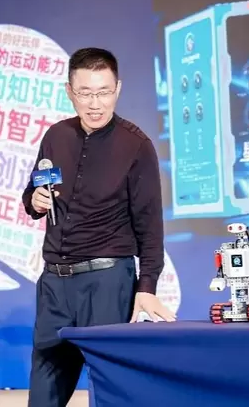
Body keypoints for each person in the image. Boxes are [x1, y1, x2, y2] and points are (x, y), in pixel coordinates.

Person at [22, 47, 176, 407]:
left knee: (111, 391)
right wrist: (34, 200)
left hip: (107, 282)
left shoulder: (136, 146)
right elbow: (34, 191)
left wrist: (147, 287)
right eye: (86, 93)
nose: (95, 104)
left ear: (118, 89)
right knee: (43, 394)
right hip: (54, 283)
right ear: (69, 92)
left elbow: (150, 225)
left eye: (104, 92)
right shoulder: (56, 136)